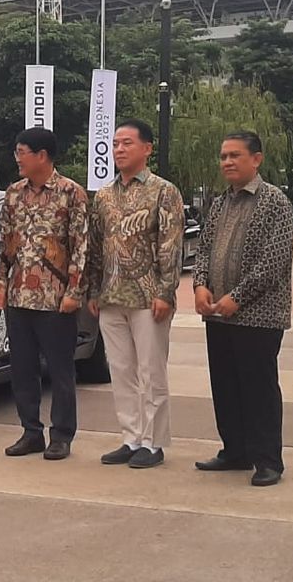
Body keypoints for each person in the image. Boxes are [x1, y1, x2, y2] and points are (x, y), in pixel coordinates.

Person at [193, 131, 293, 487]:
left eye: (235, 155)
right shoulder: (220, 203)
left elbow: (274, 262)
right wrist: (200, 285)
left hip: (259, 315)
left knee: (258, 388)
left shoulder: (274, 202)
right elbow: (203, 249)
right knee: (225, 384)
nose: (227, 162)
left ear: (257, 159)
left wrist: (238, 296)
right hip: (218, 313)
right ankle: (234, 451)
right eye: (223, 156)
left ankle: (268, 460)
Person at [86, 119, 184, 469]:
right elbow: (95, 246)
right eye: (115, 143)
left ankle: (154, 443)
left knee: (151, 372)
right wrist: (93, 288)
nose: (119, 149)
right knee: (121, 371)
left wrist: (165, 291)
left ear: (147, 148)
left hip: (148, 297)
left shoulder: (164, 191)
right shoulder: (104, 195)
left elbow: (171, 245)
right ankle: (131, 437)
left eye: (127, 143)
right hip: (111, 296)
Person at [0, 127, 88, 461]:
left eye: (22, 152)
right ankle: (30, 431)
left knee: (61, 370)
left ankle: (61, 435)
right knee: (22, 368)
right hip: (18, 297)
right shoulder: (14, 193)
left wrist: (74, 290)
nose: (17, 159)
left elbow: (81, 245)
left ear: (42, 156)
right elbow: (5, 243)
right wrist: (0, 283)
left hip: (55, 298)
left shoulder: (70, 193)